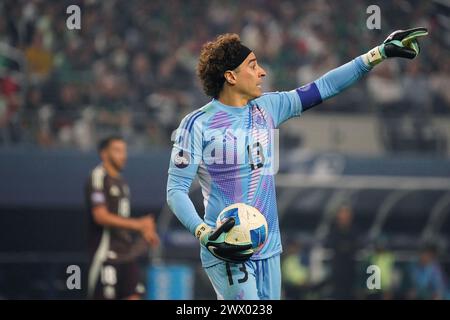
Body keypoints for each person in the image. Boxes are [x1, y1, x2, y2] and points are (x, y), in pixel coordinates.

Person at [166, 28, 428, 300]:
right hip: (227, 248)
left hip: (268, 247)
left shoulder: (268, 108)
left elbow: (325, 86)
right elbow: (175, 190)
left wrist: (378, 53)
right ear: (230, 76)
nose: (263, 72)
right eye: (253, 66)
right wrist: (203, 233)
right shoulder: (197, 125)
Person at [85, 135, 160, 300]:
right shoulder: (98, 176)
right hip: (106, 253)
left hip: (126, 254)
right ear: (104, 154)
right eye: (117, 151)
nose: (123, 155)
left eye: (124, 151)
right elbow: (100, 216)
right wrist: (138, 224)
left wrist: (144, 230)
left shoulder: (122, 183)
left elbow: (122, 220)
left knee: (135, 296)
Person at [326, 205, 359, 299]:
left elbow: (355, 245)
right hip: (338, 269)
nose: (344, 217)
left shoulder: (354, 230)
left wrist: (345, 247)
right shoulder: (334, 230)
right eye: (342, 214)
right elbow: (332, 244)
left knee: (349, 293)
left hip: (350, 269)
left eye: (346, 215)